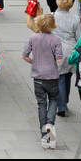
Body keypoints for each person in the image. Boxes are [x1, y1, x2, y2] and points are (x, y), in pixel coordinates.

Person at [22, 13, 63, 148]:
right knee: (53, 100)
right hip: (51, 76)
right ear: (52, 25)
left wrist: (34, 62)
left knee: (41, 104)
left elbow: (24, 56)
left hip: (38, 76)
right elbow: (59, 59)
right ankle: (50, 124)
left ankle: (44, 135)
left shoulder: (33, 38)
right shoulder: (56, 40)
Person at [52, 0, 81, 117]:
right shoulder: (75, 19)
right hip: (71, 49)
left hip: (58, 49)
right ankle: (65, 100)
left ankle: (61, 106)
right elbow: (79, 36)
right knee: (68, 76)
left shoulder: (52, 16)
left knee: (60, 78)